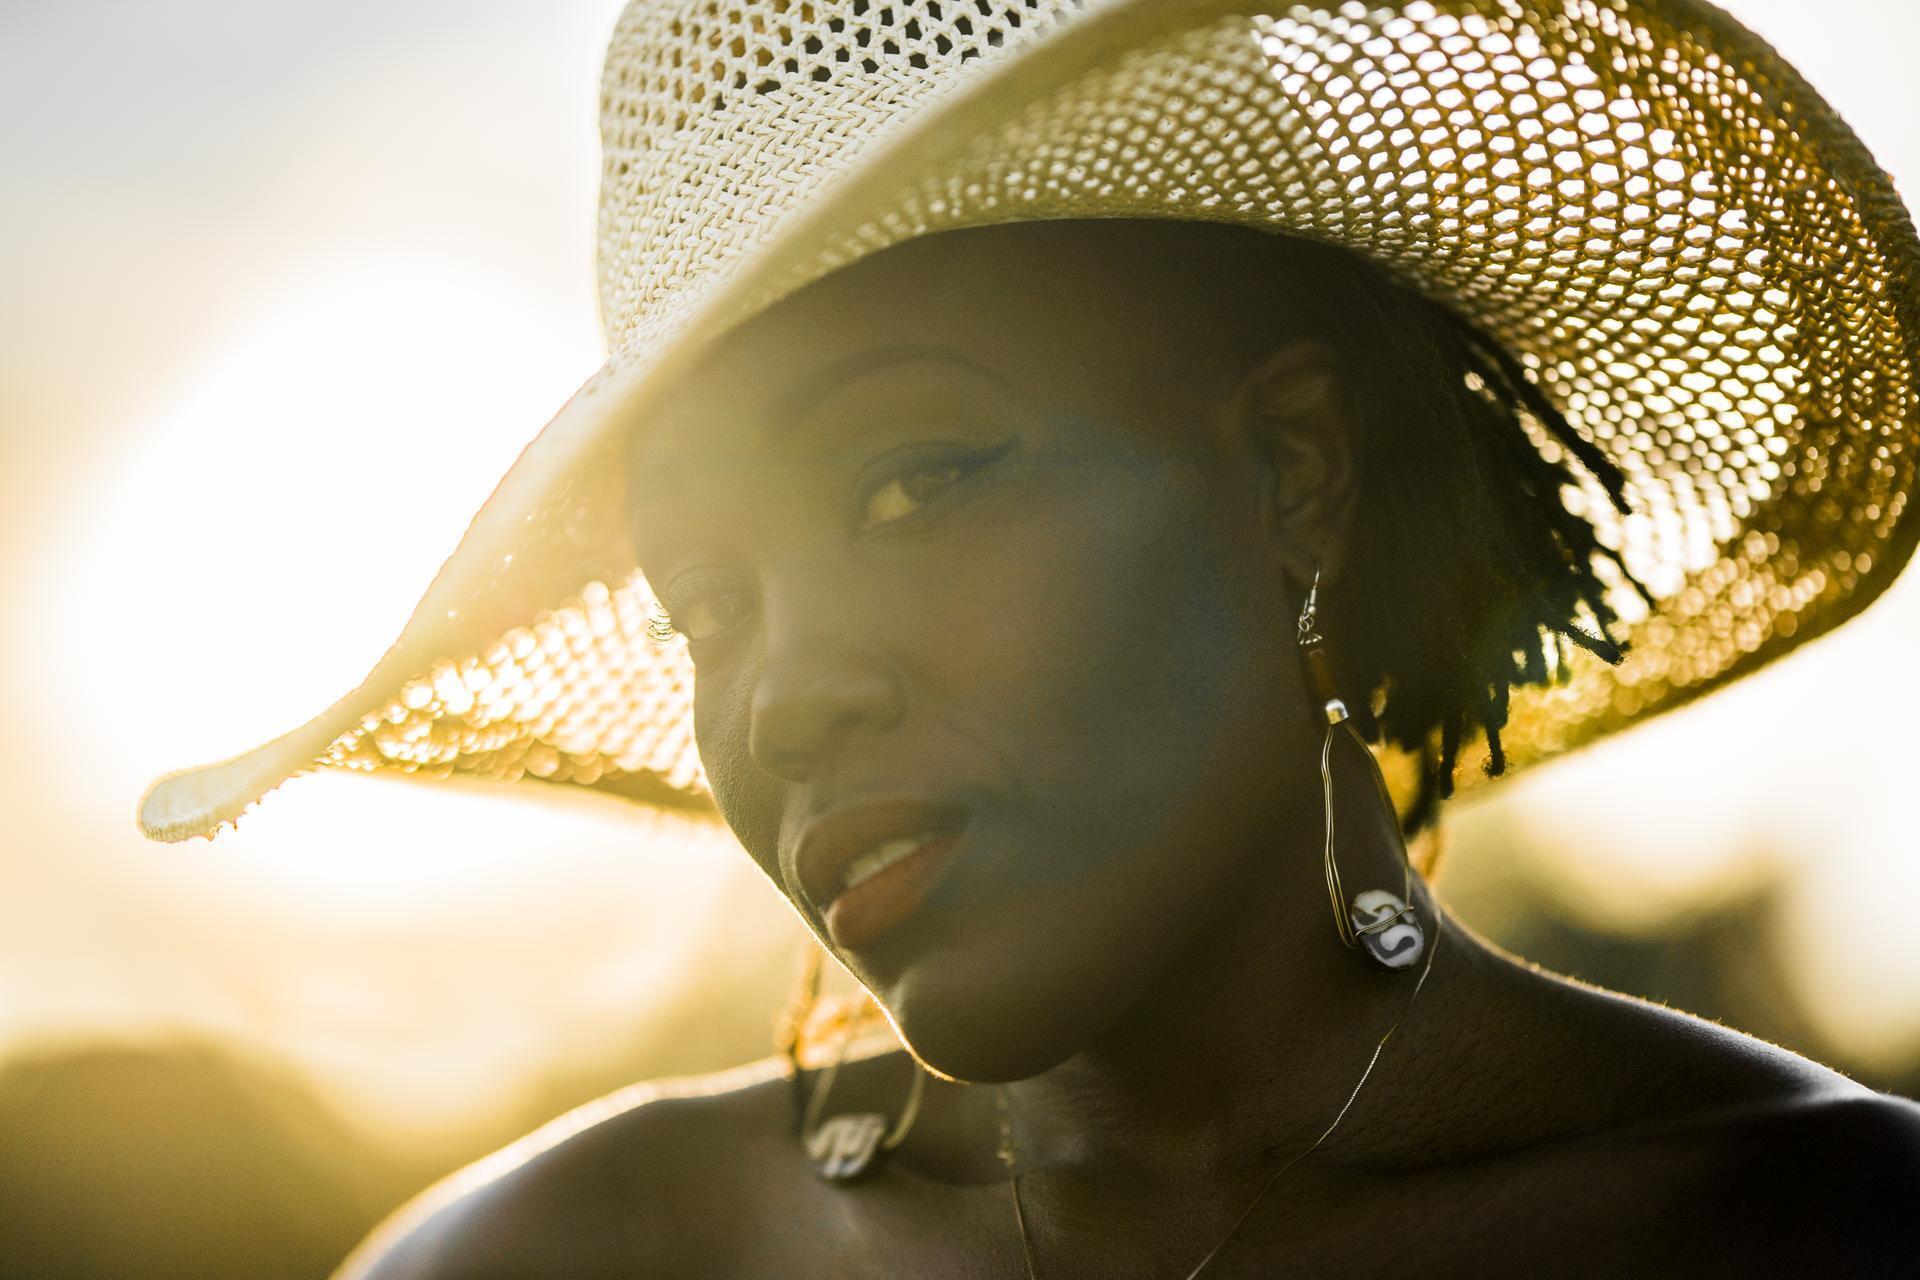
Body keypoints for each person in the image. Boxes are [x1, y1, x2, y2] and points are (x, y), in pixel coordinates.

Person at [137, 1, 1920, 1275]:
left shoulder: (1802, 1227)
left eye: (912, 483)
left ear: (1290, 471)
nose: (783, 698)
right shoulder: (572, 1254)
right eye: (705, 608)